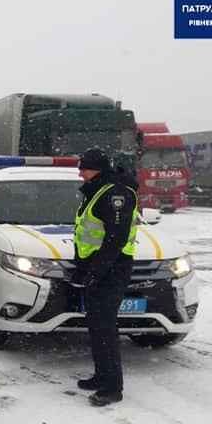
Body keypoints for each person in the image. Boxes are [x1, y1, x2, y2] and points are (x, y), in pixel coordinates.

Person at [71, 148, 139, 407]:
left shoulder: (116, 194)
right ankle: (101, 375)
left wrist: (96, 271)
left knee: (106, 328)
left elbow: (116, 239)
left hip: (112, 268)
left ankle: (112, 387)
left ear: (97, 169)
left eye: (83, 168)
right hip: (97, 267)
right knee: (96, 325)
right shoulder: (97, 190)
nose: (80, 173)